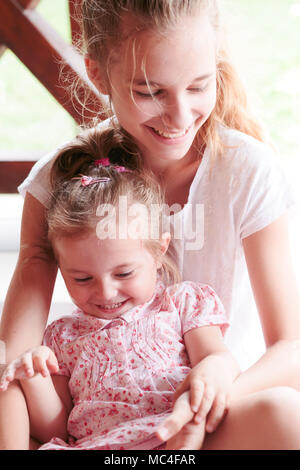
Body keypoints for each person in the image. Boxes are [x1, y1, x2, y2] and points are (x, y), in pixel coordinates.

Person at [1, 0, 300, 450]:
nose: (180, 118)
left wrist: (200, 404)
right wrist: (27, 376)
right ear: (98, 73)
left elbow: (291, 350)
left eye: (200, 86)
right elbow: (15, 366)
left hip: (217, 414)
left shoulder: (246, 170)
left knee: (286, 415)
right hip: (99, 431)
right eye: (150, 92)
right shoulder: (63, 178)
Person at [0, 139, 241, 450]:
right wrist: (35, 375)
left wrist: (213, 370)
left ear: (159, 251)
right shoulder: (63, 336)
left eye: (124, 273)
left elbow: (218, 358)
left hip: (176, 433)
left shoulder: (181, 304)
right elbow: (56, 427)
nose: (105, 291)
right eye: (82, 278)